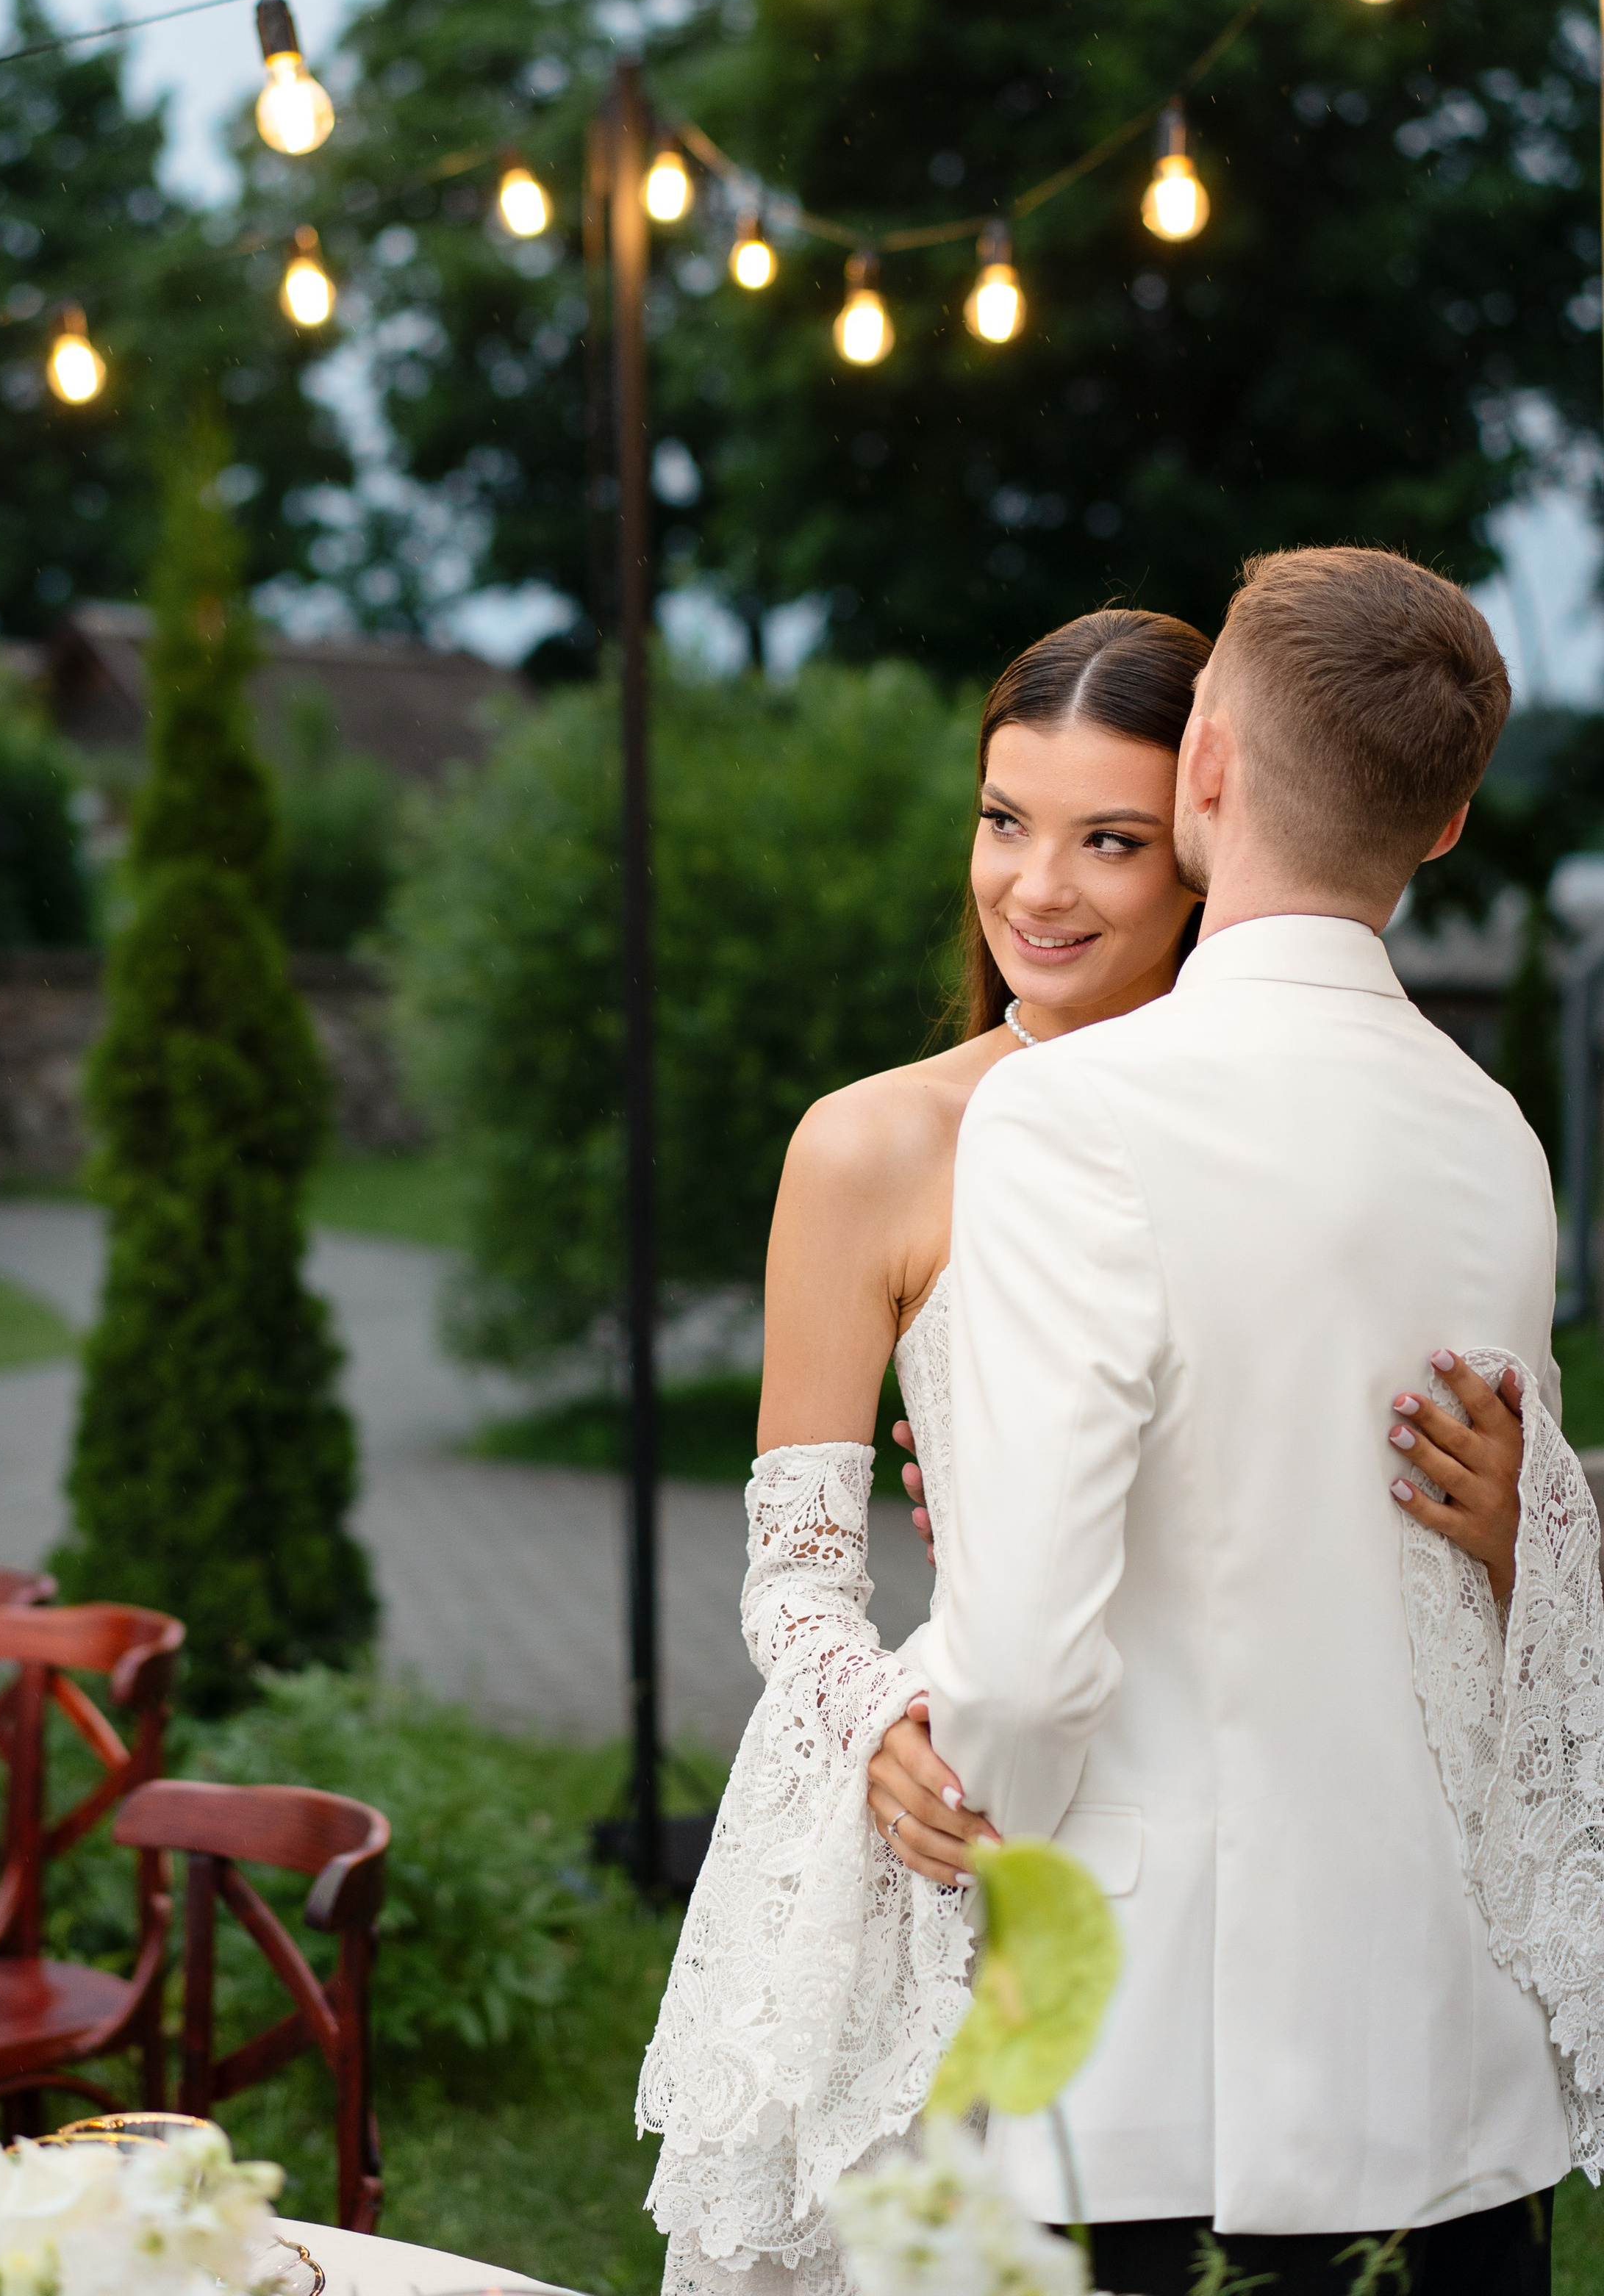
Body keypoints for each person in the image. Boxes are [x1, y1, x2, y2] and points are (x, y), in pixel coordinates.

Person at [636, 600, 1525, 2296]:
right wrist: (874, 1718)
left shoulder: (1353, 1119)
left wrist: (1520, 1521)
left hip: (1255, 1890)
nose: (1035, 888)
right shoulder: (870, 1147)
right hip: (953, 1821)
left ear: (1200, 820)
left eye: (1105, 839)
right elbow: (795, 1565)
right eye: (1002, 822)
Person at [913, 547, 1580, 2296]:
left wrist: (955, 1825)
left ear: (1199, 763)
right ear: (1443, 826)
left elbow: (1023, 1667)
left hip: (1148, 2069)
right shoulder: (1497, 1139)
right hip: (1445, 2057)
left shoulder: (1065, 1114)